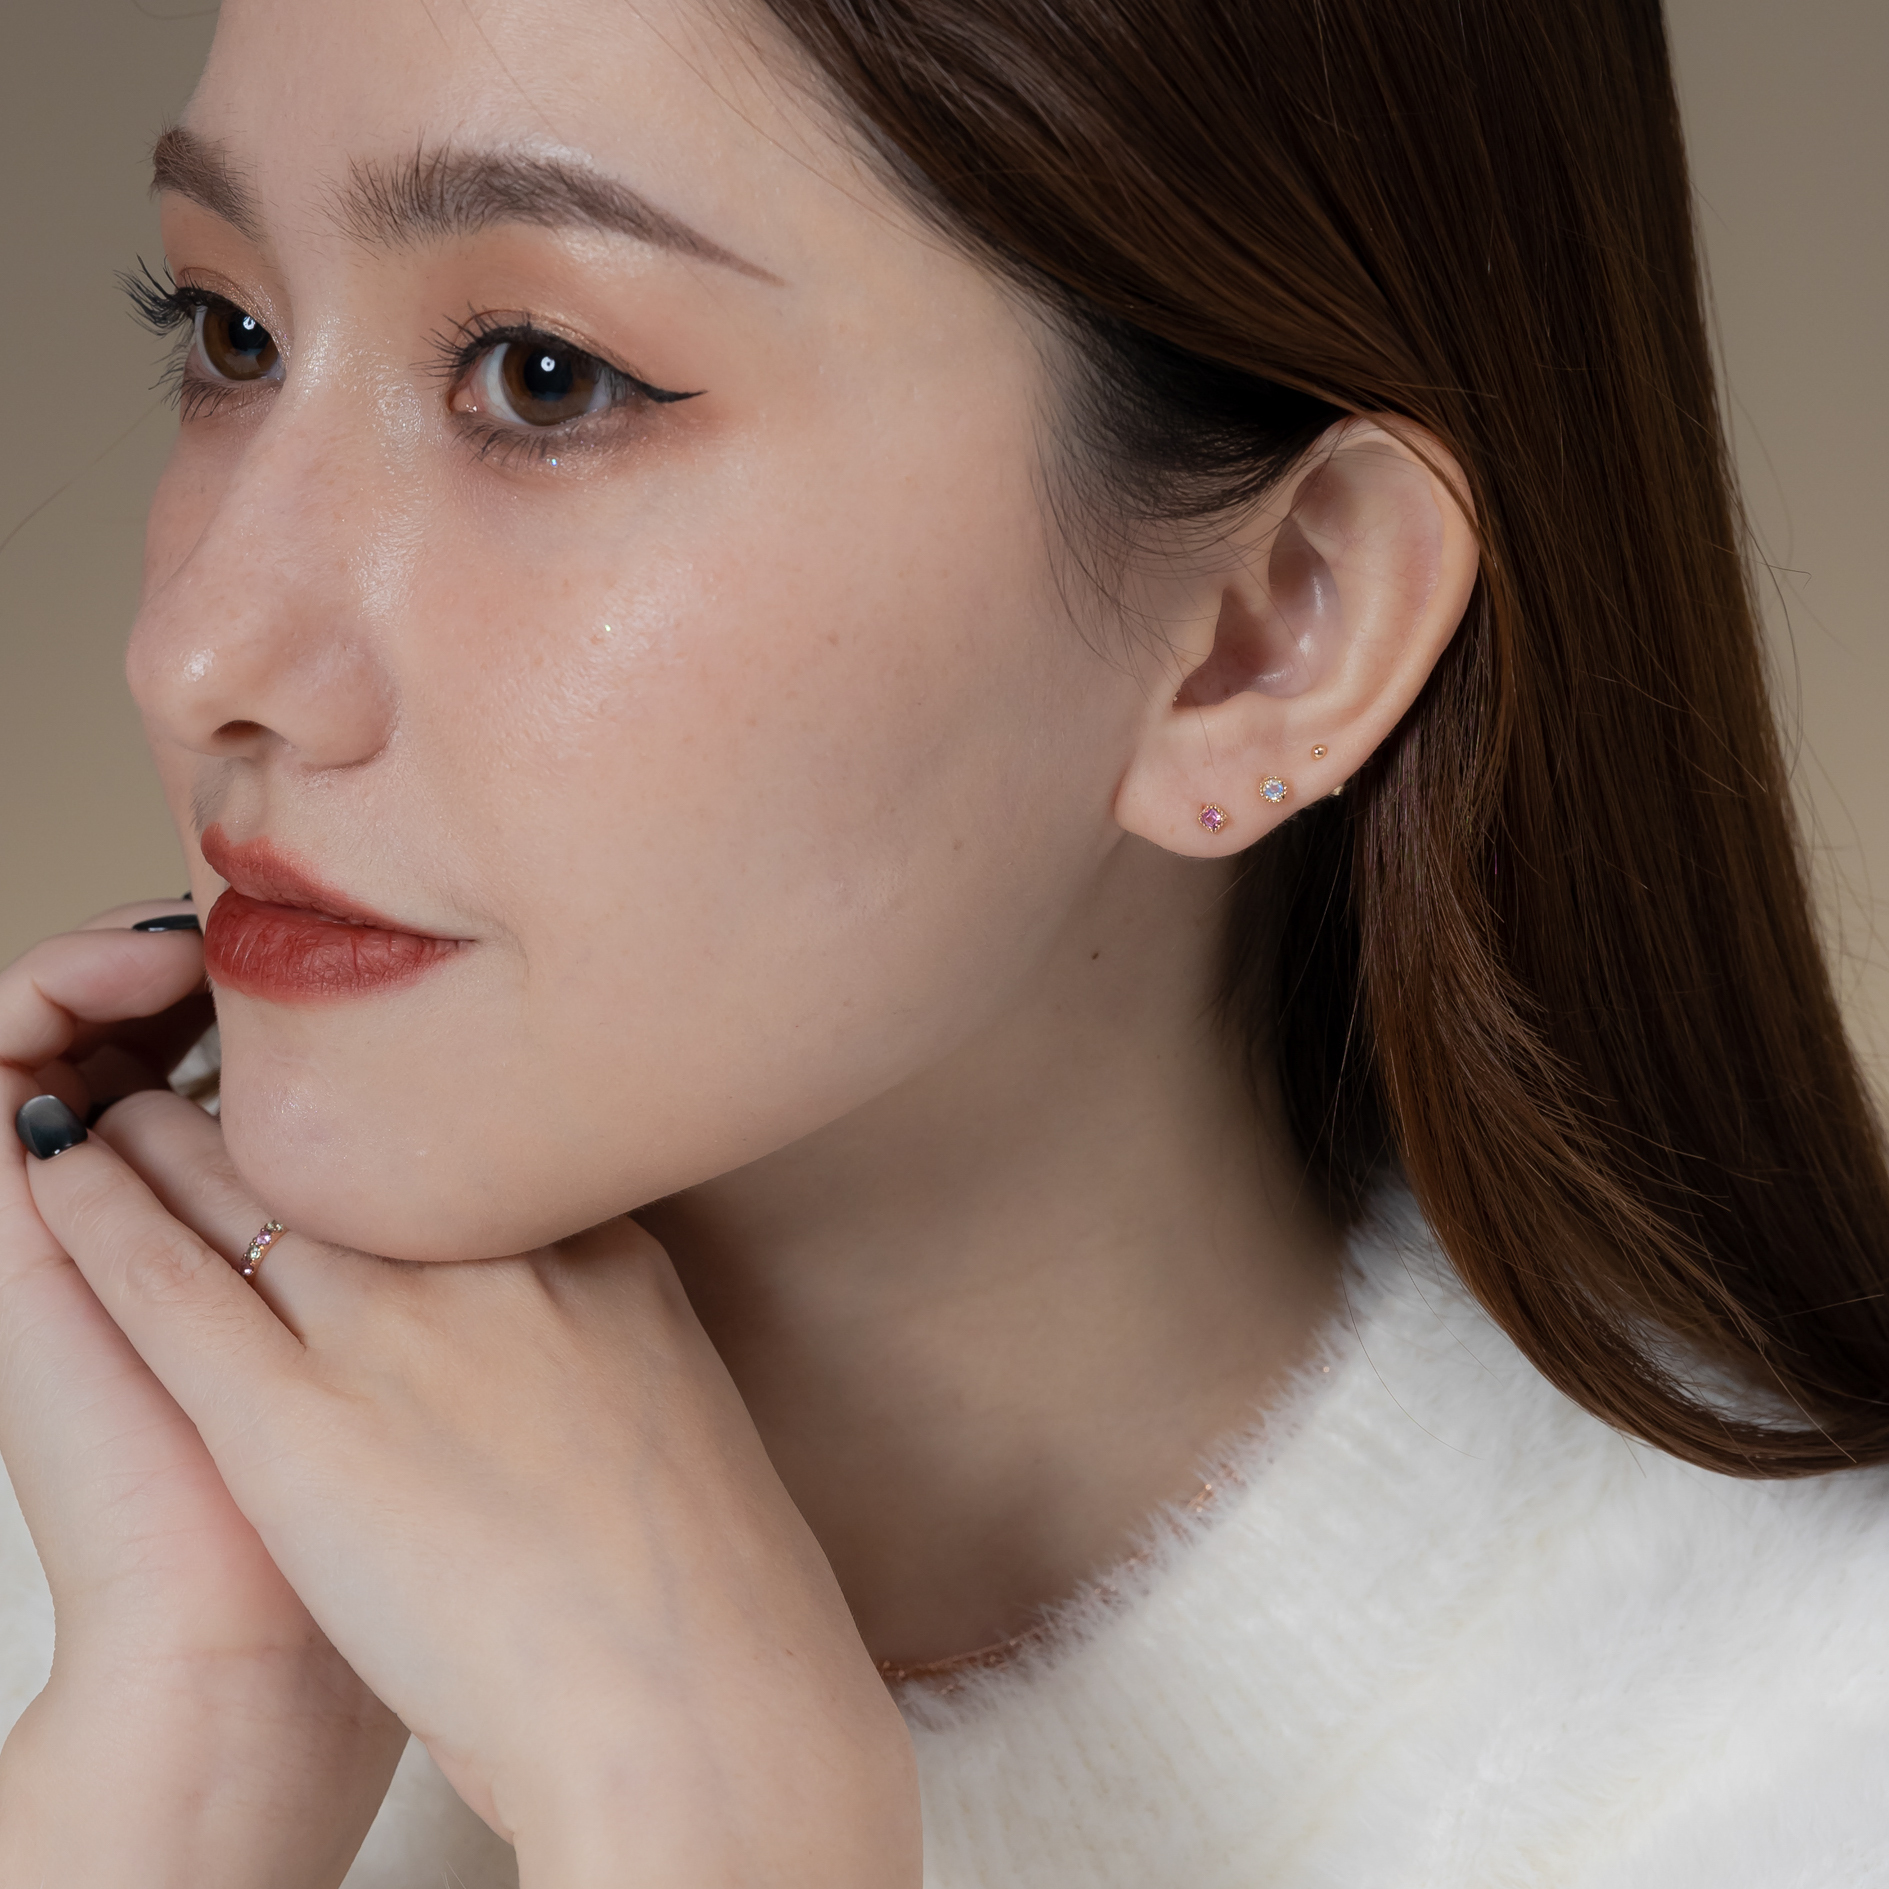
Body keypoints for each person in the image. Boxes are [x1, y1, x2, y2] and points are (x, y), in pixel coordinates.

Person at [2, 0, 1886, 1881]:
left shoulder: (1807, 1773)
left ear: (1270, 627)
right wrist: (191, 1771)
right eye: (232, 332)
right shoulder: (110, 1577)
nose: (194, 650)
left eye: (544, 378)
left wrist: (710, 1831)